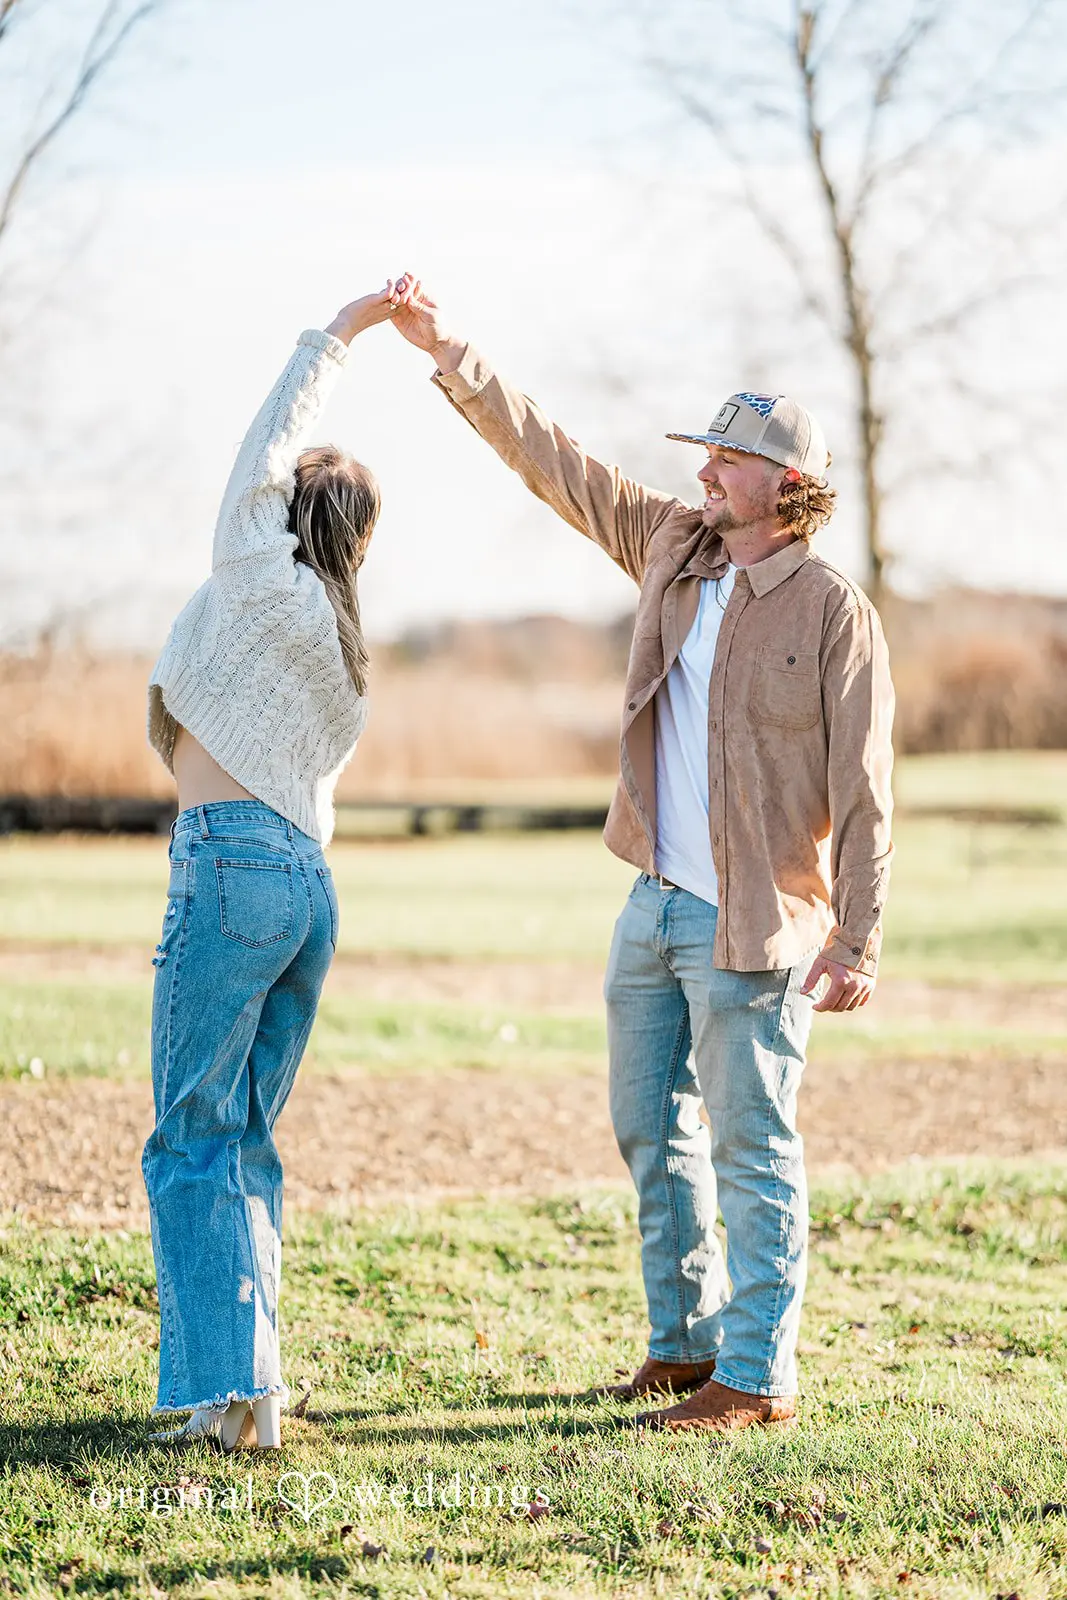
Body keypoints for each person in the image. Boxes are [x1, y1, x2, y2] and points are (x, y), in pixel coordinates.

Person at [389, 281, 894, 1436]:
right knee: (646, 1127)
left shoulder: (830, 613)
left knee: (752, 1144)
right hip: (652, 906)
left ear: (786, 485)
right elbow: (555, 463)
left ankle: (756, 1375)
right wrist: (454, 357)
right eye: (706, 455)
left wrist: (858, 938)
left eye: (727, 459)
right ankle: (683, 1344)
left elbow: (866, 792)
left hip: (755, 925)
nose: (706, 471)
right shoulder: (672, 545)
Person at [141, 278, 411, 1450]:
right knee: (241, 1135)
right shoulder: (342, 643)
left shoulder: (261, 581)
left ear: (290, 515)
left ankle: (221, 1399)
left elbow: (265, 443)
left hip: (235, 862)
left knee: (190, 1134)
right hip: (306, 885)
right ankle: (254, 1394)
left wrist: (340, 334)